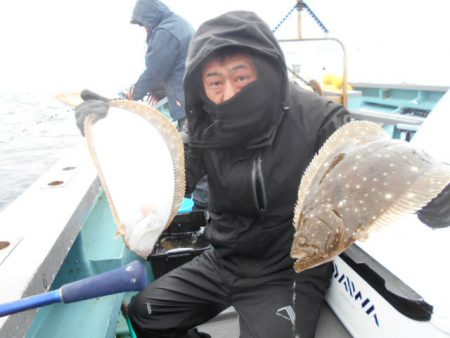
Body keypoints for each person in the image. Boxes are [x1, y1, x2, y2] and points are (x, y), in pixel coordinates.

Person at [74, 10, 450, 338]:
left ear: (266, 69)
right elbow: (172, 176)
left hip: (286, 270)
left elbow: (373, 151)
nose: (228, 92)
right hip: (220, 260)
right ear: (201, 88)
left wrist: (430, 190)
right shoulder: (205, 126)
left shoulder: (315, 117)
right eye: (215, 82)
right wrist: (109, 130)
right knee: (145, 313)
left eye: (241, 76)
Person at [128, 0, 194, 129]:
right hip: (195, 96)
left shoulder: (166, 31)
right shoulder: (179, 23)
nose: (145, 28)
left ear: (149, 17)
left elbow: (155, 71)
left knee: (190, 141)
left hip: (185, 102)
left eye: (143, 24)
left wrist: (134, 94)